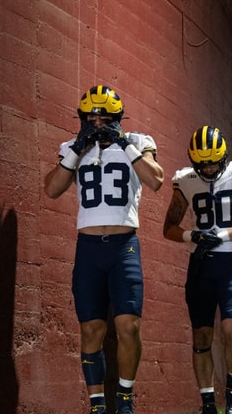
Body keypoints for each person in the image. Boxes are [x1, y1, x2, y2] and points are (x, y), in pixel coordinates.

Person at [44, 85, 164, 414]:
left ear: (118, 118)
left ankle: (124, 396)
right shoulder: (72, 147)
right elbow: (52, 189)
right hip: (89, 246)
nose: (97, 122)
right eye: (91, 117)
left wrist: (124, 142)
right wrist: (78, 148)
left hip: (124, 245)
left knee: (129, 325)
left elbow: (155, 180)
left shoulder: (138, 142)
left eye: (104, 116)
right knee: (91, 328)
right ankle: (97, 402)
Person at [162, 125, 232, 414]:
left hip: (230, 263)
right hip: (200, 265)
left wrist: (223, 236)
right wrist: (193, 236)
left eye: (213, 162)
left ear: (225, 157)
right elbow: (168, 227)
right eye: (201, 163)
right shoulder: (185, 180)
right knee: (201, 336)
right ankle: (206, 401)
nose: (207, 168)